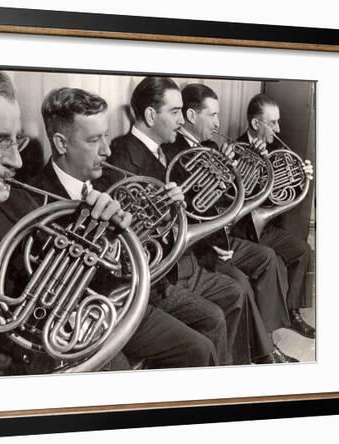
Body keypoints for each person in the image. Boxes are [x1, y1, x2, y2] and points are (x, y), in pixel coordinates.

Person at [0, 68, 216, 376]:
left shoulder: (32, 199)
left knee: (200, 345)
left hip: (106, 307)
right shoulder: (31, 203)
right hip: (49, 345)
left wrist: (123, 232)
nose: (17, 161)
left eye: (19, 142)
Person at [96, 77, 255, 365]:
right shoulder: (120, 156)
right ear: (150, 115)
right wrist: (164, 208)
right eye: (175, 112)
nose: (182, 120)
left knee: (234, 293)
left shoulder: (167, 151)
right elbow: (125, 232)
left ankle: (230, 369)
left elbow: (195, 206)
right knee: (215, 316)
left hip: (183, 260)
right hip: (155, 277)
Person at [163, 82, 299, 363]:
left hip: (222, 237)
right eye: (212, 115)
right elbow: (190, 207)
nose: (218, 122)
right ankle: (256, 355)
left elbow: (231, 197)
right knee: (240, 285)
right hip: (202, 246)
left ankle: (269, 340)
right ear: (191, 116)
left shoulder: (212, 145)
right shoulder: (174, 150)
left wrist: (243, 170)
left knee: (267, 257)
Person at [235, 93, 316, 339]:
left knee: (303, 251)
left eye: (277, 122)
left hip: (265, 227)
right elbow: (234, 198)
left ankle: (293, 313)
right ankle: (265, 337)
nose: (278, 128)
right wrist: (251, 163)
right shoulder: (235, 149)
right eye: (272, 123)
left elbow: (283, 195)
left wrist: (303, 176)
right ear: (255, 123)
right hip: (242, 230)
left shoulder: (278, 149)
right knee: (272, 260)